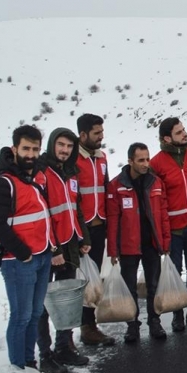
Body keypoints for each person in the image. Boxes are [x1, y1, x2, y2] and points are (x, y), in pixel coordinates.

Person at [0, 125, 59, 373]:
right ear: (15, 148)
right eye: (26, 149)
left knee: (35, 313)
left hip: (41, 256)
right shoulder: (5, 182)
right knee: (21, 316)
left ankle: (30, 369)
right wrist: (23, 253)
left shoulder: (36, 177)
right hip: (19, 261)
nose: (31, 154)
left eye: (35, 149)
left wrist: (49, 248)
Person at [36, 128, 92, 373]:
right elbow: (42, 213)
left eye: (69, 146)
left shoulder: (70, 173)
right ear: (52, 145)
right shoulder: (43, 172)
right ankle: (45, 355)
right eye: (61, 145)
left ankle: (63, 347)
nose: (65, 150)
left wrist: (83, 237)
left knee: (68, 300)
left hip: (70, 242)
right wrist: (53, 249)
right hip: (50, 247)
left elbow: (75, 207)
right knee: (43, 304)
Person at [150, 117, 187, 332]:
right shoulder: (156, 163)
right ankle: (177, 313)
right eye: (179, 132)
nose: (185, 134)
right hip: (173, 228)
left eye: (184, 130)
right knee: (175, 270)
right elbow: (155, 200)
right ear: (167, 138)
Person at [107, 143, 171, 343]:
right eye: (141, 160)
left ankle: (155, 321)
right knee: (130, 287)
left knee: (153, 285)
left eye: (147, 159)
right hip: (128, 246)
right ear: (130, 161)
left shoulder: (156, 182)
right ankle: (132, 325)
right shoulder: (116, 185)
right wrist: (113, 250)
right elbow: (113, 219)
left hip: (151, 243)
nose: (146, 164)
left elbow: (163, 216)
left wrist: (165, 241)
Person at [75, 113, 116, 346]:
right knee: (80, 279)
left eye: (102, 132)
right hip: (82, 228)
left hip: (100, 225)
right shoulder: (73, 159)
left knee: (95, 277)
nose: (101, 137)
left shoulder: (102, 158)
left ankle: (90, 325)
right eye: (96, 133)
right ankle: (82, 327)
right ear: (83, 135)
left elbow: (105, 188)